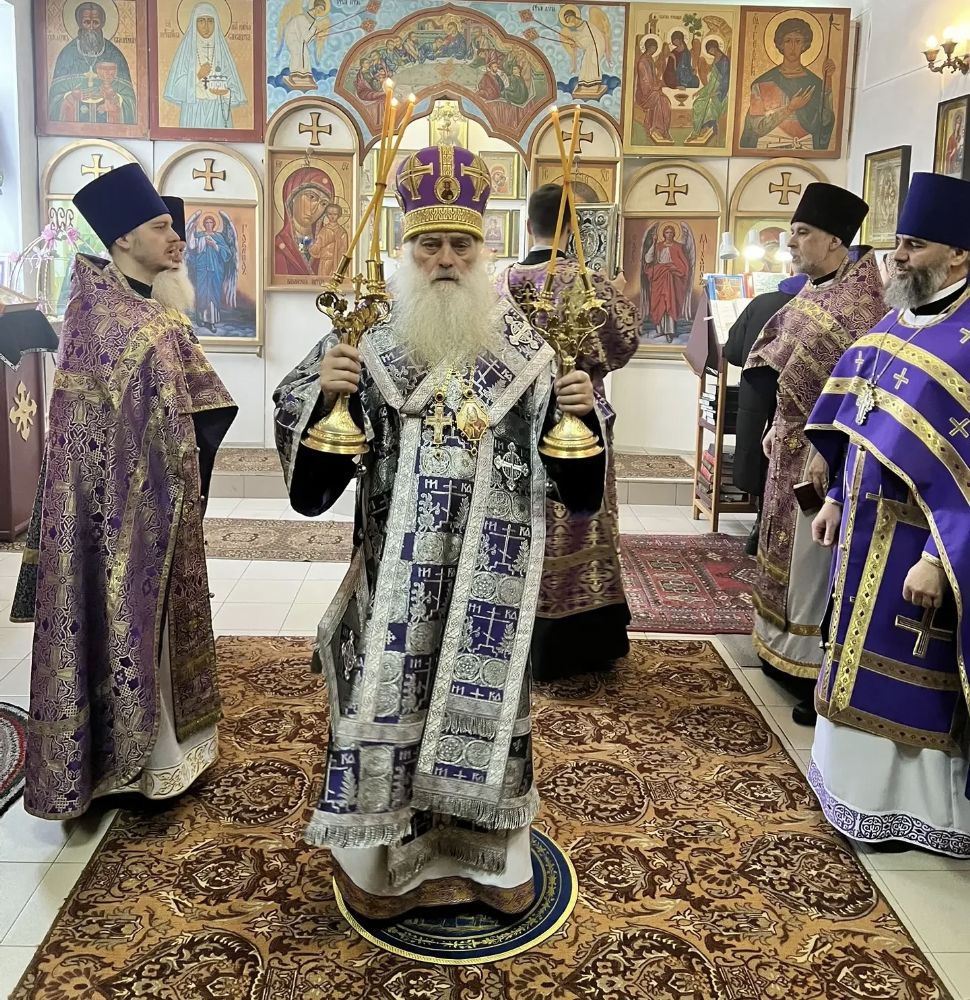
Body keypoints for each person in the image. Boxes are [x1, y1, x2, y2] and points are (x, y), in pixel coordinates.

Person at [273, 145, 605, 918]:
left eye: (461, 244)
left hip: (493, 585)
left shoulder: (531, 350)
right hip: (396, 584)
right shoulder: (364, 340)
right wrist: (326, 401)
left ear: (483, 251)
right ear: (407, 247)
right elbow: (314, 493)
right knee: (391, 708)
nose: (446, 259)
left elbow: (580, 492)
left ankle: (488, 860)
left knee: (485, 714)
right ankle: (383, 866)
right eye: (430, 244)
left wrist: (582, 418)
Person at [11, 163, 237, 820]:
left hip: (132, 505)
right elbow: (182, 417)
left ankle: (139, 753)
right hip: (132, 510)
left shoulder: (103, 309)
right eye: (162, 227)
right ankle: (149, 764)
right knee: (132, 616)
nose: (177, 239)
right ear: (123, 239)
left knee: (137, 622)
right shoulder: (130, 321)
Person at [805, 172, 970, 856]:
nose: (897, 257)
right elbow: (856, 423)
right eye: (899, 242)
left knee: (911, 680)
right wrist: (837, 498)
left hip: (923, 548)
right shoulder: (898, 321)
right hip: (863, 534)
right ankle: (850, 793)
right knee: (850, 658)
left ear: (959, 254)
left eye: (914, 245)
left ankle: (911, 812)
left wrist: (938, 558)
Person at [743, 183, 885, 726]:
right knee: (783, 548)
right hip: (789, 443)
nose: (791, 242)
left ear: (834, 241)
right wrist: (776, 424)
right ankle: (778, 650)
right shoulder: (817, 288)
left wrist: (829, 447)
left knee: (814, 558)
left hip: (827, 454)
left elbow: (861, 386)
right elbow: (782, 361)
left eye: (802, 233)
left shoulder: (861, 303)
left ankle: (812, 668)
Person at [498, 183, 641, 680]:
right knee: (582, 519)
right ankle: (583, 636)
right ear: (572, 230)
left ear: (528, 225)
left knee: (523, 520)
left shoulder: (501, 284)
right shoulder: (591, 282)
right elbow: (623, 345)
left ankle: (519, 634)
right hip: (580, 414)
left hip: (516, 424)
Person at [723, 274, 806, 555]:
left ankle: (759, 523)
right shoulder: (815, 307)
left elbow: (733, 351)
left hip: (757, 395)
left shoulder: (761, 303)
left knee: (759, 453)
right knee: (786, 457)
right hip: (796, 396)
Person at [739, 17, 836, 151]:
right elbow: (757, 127)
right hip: (769, 145)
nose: (793, 47)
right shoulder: (762, 82)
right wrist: (789, 108)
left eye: (798, 41)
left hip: (805, 146)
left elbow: (825, 121)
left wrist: (828, 79)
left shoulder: (815, 83)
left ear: (804, 45)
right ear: (781, 45)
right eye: (788, 41)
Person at [47, 1, 137, 125]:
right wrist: (70, 96)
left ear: (102, 24)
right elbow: (54, 99)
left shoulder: (115, 55)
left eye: (95, 22)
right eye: (86, 22)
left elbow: (130, 100)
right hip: (74, 127)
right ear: (79, 23)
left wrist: (115, 97)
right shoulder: (67, 54)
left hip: (108, 126)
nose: (91, 27)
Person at [163, 2, 247, 130]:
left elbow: (235, 92)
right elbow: (176, 88)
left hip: (218, 110)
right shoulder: (186, 51)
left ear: (216, 23)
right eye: (201, 21)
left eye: (210, 21)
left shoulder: (222, 52)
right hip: (193, 110)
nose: (206, 26)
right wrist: (198, 76)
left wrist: (225, 92)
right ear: (194, 23)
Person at [274, 166, 334, 276]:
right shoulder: (279, 246)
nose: (315, 208)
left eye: (323, 203)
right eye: (311, 197)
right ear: (292, 196)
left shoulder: (327, 242)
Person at [686, 39, 730, 145]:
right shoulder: (715, 59)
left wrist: (718, 92)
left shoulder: (724, 60)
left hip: (720, 92)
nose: (711, 52)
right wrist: (700, 91)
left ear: (715, 47)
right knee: (697, 103)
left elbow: (726, 80)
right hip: (711, 89)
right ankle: (698, 129)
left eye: (711, 49)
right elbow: (711, 82)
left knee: (709, 103)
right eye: (709, 51)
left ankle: (706, 127)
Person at [634, 37, 673, 144]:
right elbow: (644, 82)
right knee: (661, 101)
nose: (654, 50)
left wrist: (659, 83)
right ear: (648, 47)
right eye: (652, 48)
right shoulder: (642, 62)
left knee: (665, 102)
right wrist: (655, 87)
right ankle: (660, 129)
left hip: (652, 90)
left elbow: (653, 77)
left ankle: (662, 129)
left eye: (655, 48)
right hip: (644, 94)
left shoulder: (650, 59)